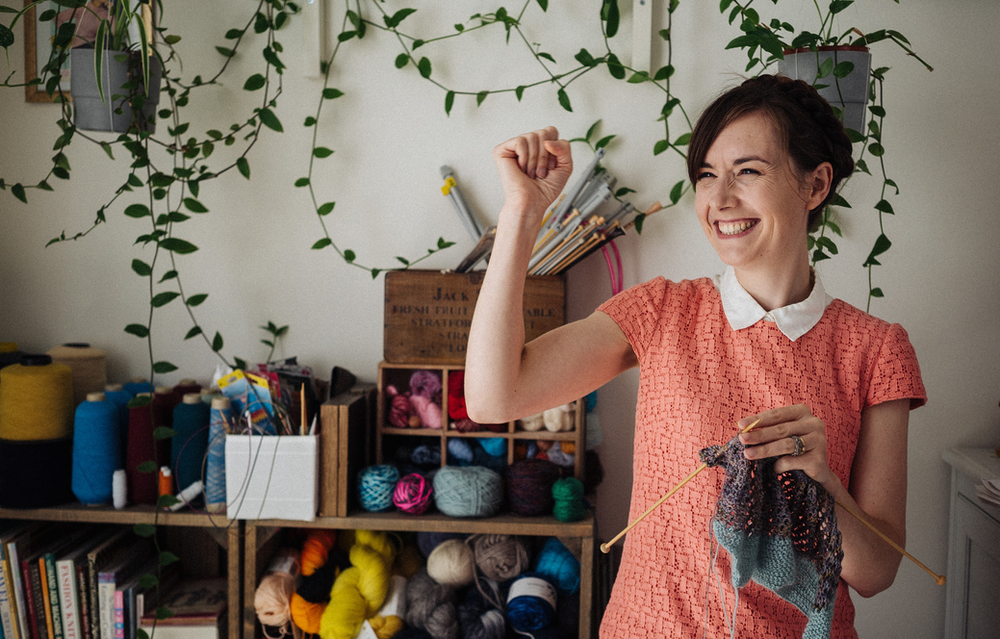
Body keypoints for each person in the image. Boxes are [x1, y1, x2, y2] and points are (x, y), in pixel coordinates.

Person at [464, 74, 926, 638]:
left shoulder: (876, 349)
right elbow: (493, 396)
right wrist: (521, 210)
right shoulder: (660, 312)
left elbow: (877, 573)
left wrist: (822, 482)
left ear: (816, 184)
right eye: (706, 175)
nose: (720, 198)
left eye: (747, 171)